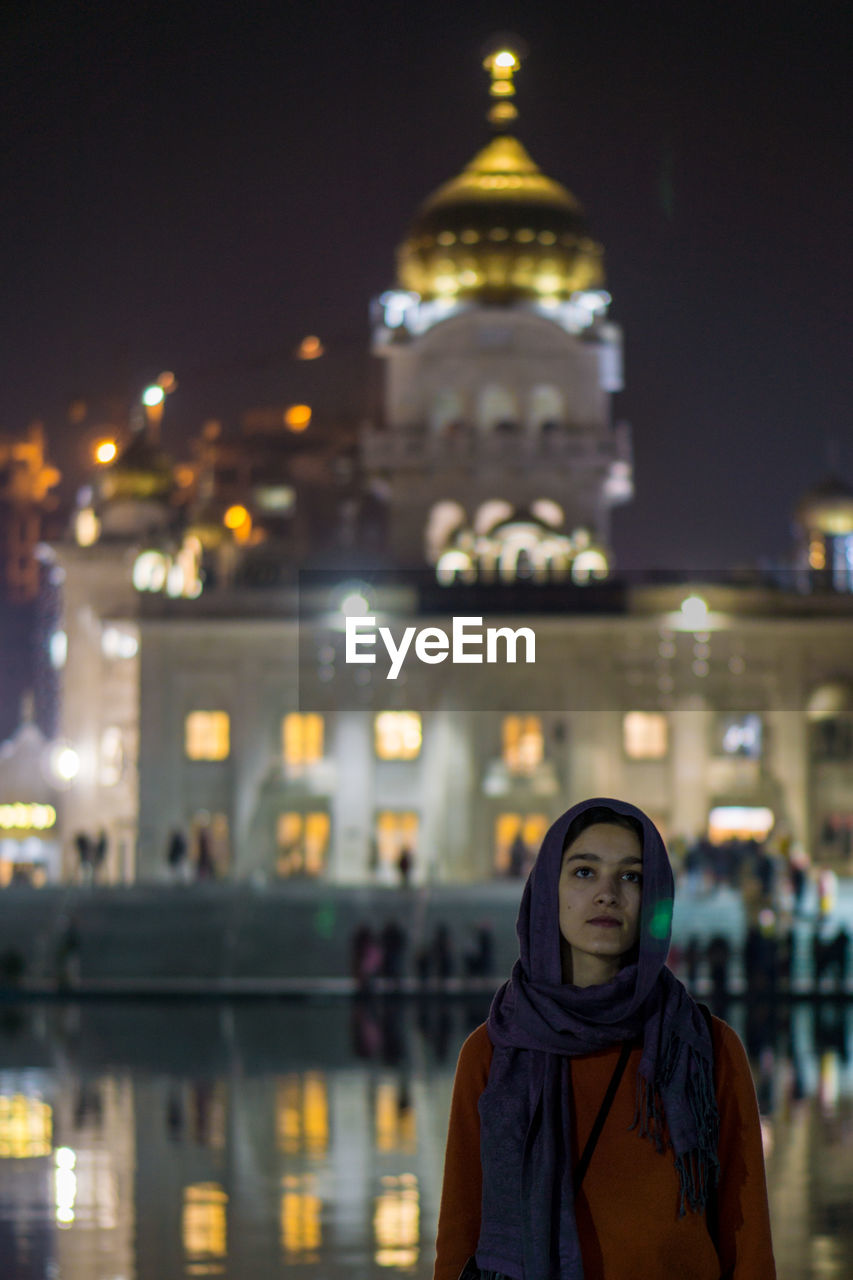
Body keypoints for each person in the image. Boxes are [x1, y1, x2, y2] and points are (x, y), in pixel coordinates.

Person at [433, 797, 776, 1280]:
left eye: (631, 876)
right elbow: (458, 1241)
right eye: (583, 872)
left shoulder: (707, 1048)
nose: (608, 894)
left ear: (653, 894)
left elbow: (749, 1244)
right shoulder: (492, 1052)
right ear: (547, 890)